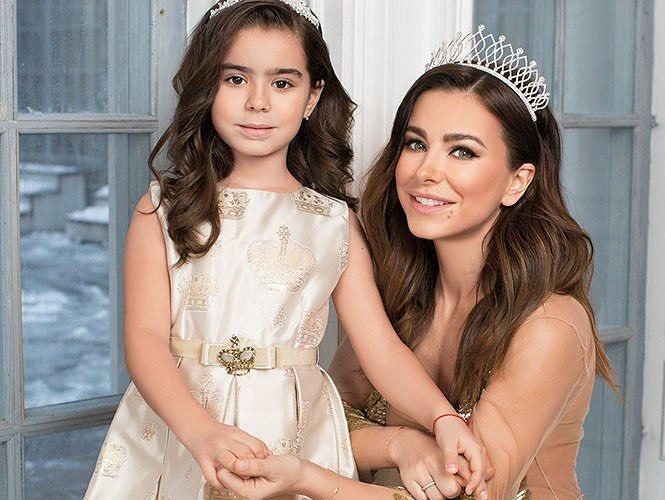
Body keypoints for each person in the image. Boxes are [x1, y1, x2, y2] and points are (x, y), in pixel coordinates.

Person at [83, 3, 487, 499]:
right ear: (208, 86)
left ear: (312, 96)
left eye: (281, 83)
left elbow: (380, 349)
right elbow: (143, 339)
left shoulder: (333, 222)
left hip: (290, 432)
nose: (258, 102)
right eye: (235, 79)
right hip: (178, 427)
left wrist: (443, 418)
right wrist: (199, 431)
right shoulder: (162, 210)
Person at [210, 26, 618, 500]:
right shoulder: (399, 293)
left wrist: (306, 476)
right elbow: (319, 417)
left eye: (462, 151)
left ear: (517, 181)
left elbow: (468, 495)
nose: (426, 171)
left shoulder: (548, 326)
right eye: (416, 143)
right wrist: (402, 444)